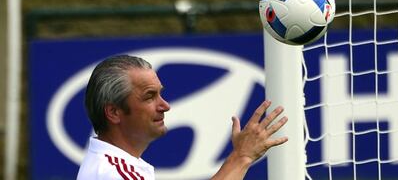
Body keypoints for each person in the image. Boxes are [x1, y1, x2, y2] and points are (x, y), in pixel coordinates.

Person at [77, 54, 288, 180]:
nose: (165, 105)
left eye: (161, 93)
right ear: (114, 112)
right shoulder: (116, 174)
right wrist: (242, 156)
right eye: (149, 96)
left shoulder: (114, 167)